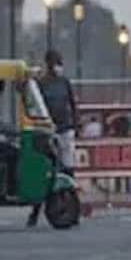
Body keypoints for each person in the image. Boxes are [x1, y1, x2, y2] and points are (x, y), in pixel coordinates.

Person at [28, 50, 79, 227]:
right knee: (45, 172)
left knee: (68, 169)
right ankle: (35, 211)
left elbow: (73, 104)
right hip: (48, 131)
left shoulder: (64, 82)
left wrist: (75, 125)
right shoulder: (41, 84)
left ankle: (71, 208)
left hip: (65, 130)